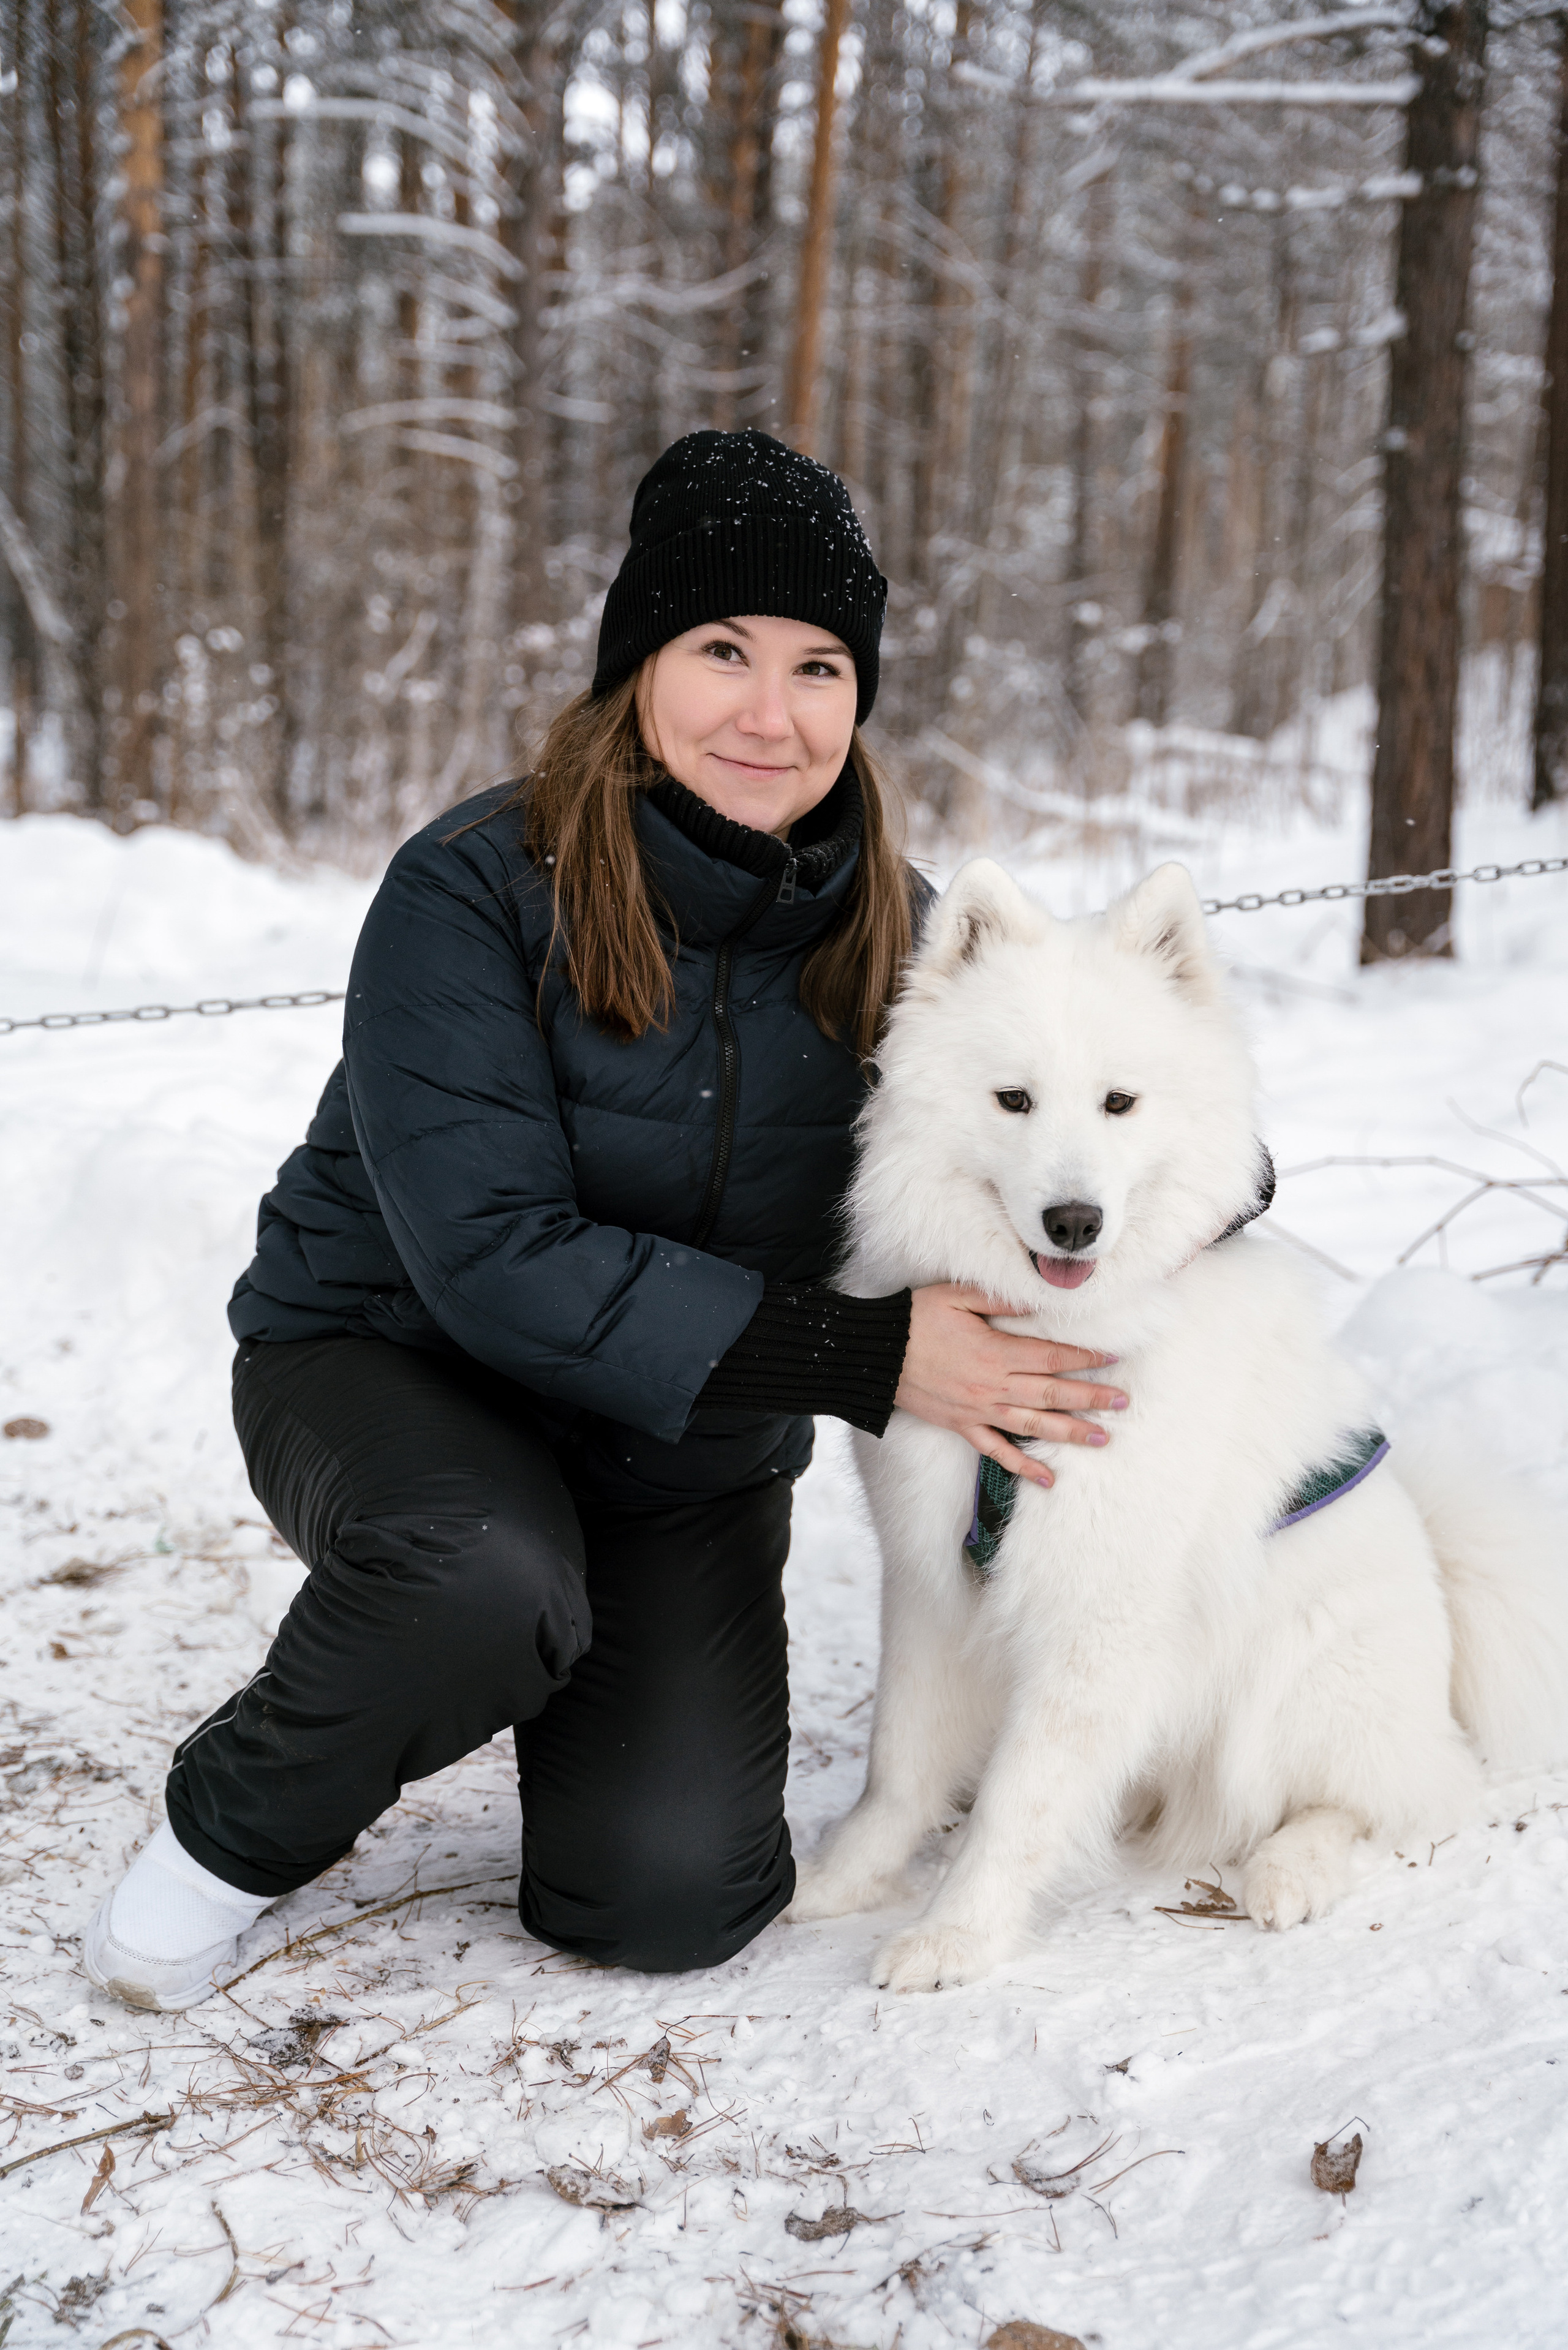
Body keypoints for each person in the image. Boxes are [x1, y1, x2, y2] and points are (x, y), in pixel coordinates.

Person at [83, 428, 1125, 2011]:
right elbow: (492, 1257)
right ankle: (223, 1839)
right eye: (722, 650)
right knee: (480, 1576)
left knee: (668, 1899)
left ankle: (538, 1655)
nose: (771, 714)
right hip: (393, 1367)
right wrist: (862, 1354)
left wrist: (1185, 1174)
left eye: (821, 666)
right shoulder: (473, 887)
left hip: (685, 1445)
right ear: (638, 663)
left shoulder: (899, 932)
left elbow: (1094, 1090)